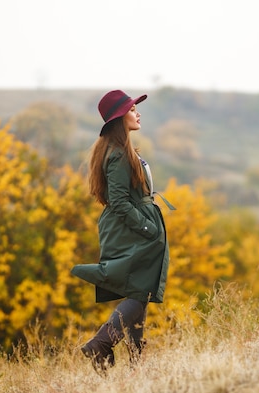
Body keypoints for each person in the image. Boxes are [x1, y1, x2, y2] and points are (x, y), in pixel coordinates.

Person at [71, 89, 171, 373]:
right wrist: (148, 228)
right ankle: (100, 344)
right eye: (131, 110)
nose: (137, 113)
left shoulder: (122, 150)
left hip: (138, 226)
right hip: (135, 230)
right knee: (140, 293)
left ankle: (137, 366)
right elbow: (117, 201)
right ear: (119, 118)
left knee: (142, 292)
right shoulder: (116, 154)